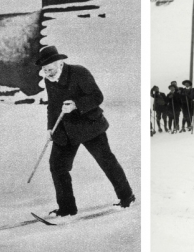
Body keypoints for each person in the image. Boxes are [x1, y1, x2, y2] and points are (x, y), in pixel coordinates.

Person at [37, 45, 134, 216]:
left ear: (60, 63)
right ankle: (67, 208)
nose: (48, 73)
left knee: (106, 161)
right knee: (57, 166)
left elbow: (97, 96)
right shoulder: (48, 80)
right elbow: (53, 106)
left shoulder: (79, 72)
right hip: (64, 129)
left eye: (50, 69)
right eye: (45, 70)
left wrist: (76, 104)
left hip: (89, 126)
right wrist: (50, 128)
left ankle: (126, 197)